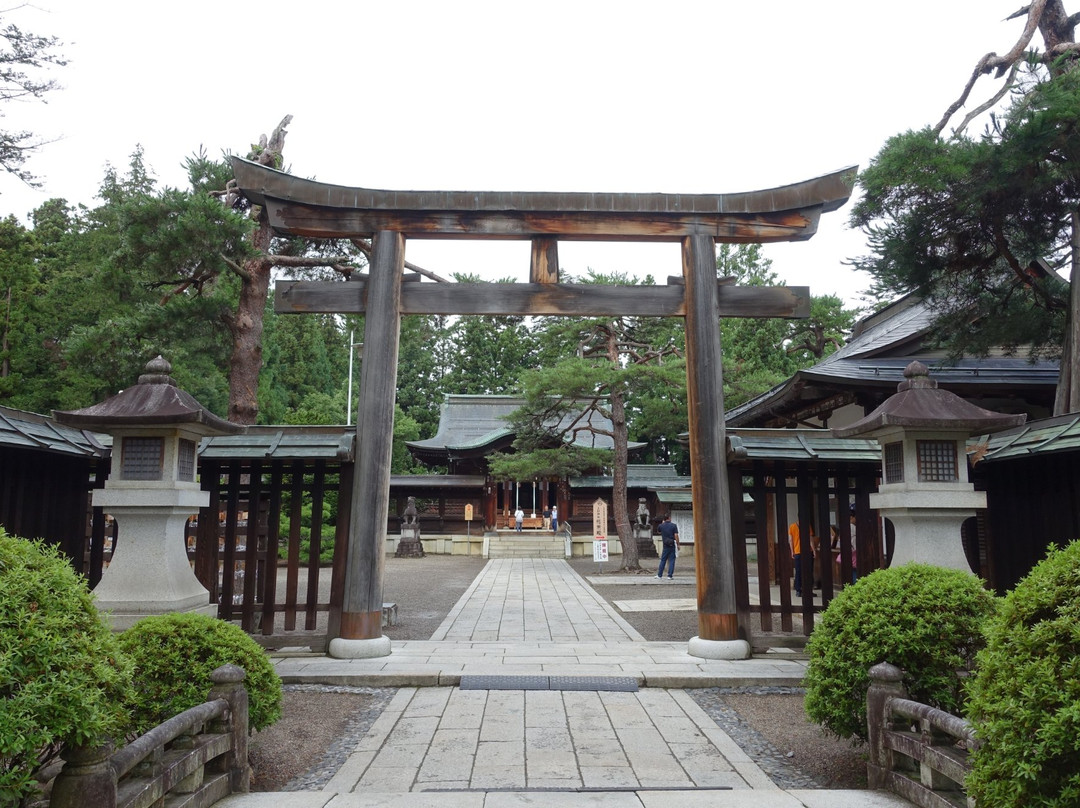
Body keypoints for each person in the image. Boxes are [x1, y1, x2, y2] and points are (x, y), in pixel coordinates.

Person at [656, 515, 679, 579]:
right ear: (669, 518)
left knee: (663, 560)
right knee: (672, 560)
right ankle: (670, 575)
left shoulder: (661, 525)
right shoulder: (673, 525)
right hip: (672, 544)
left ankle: (659, 575)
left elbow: (658, 531)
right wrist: (678, 544)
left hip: (665, 544)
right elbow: (676, 535)